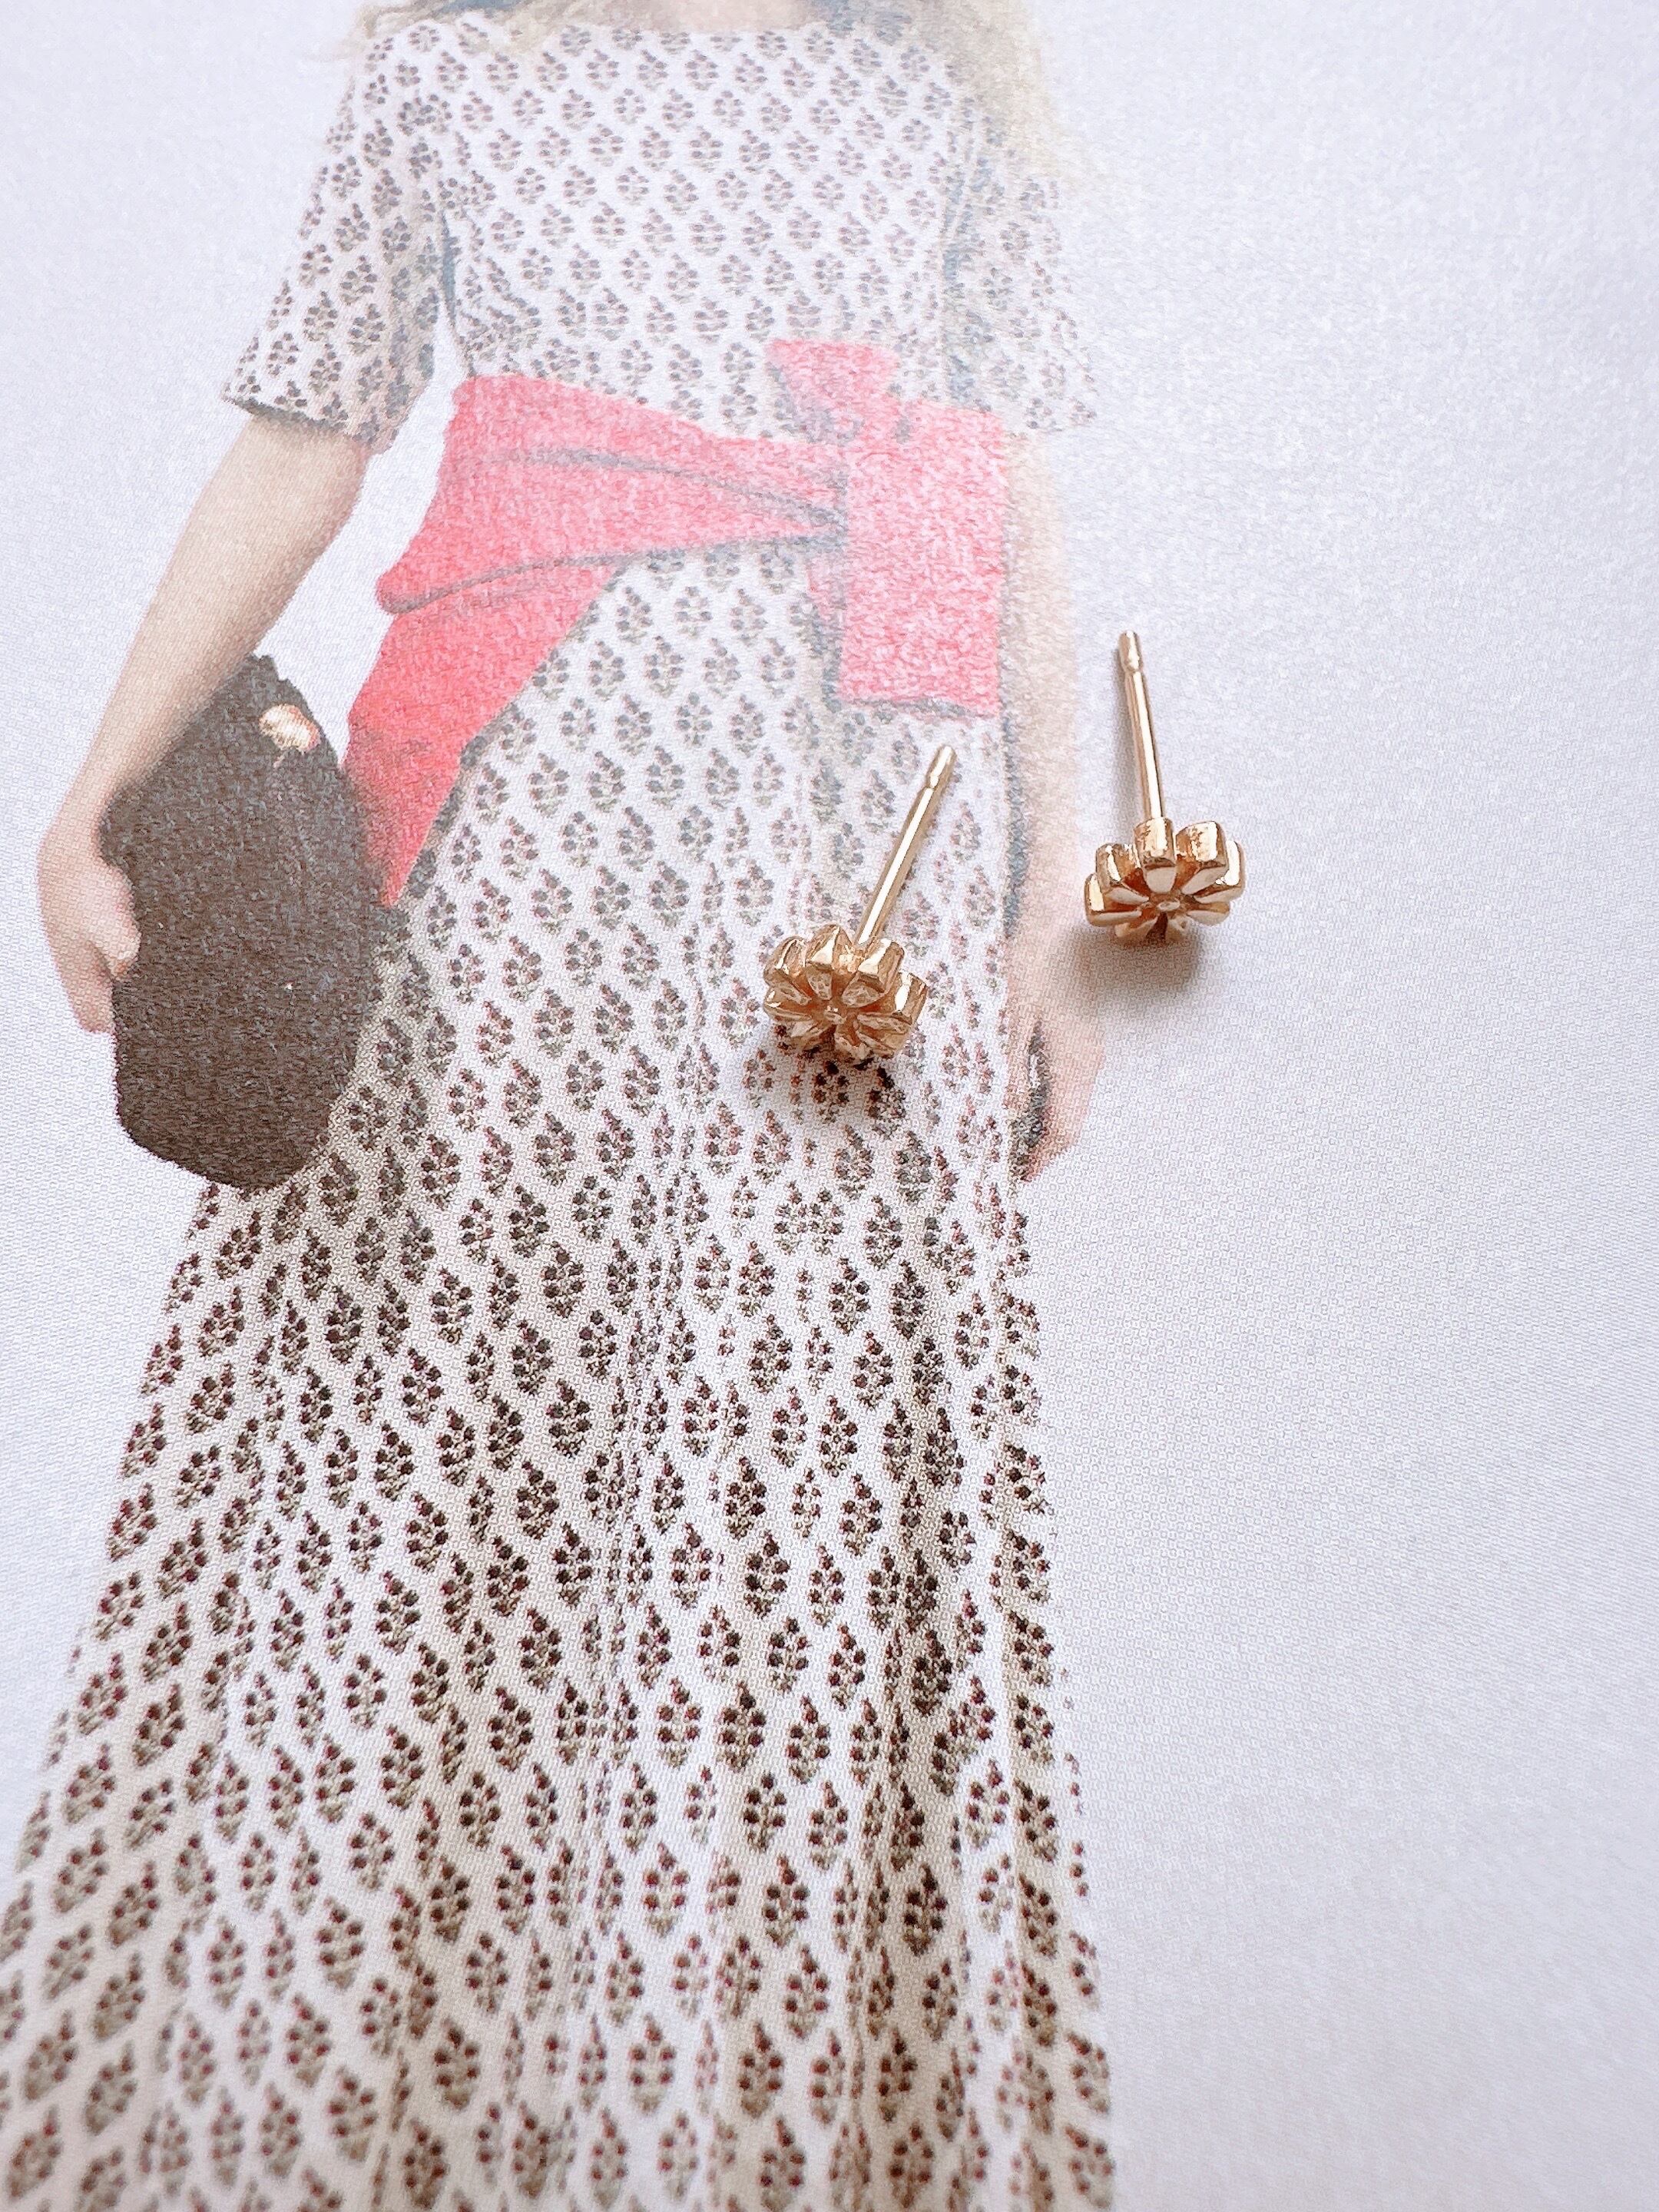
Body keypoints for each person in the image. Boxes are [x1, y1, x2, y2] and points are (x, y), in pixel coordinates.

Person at [15, 3, 1114, 2205]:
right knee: (445, 1404)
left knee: (781, 1442)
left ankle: (722, 2118)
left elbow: (1016, 490)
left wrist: (1051, 909)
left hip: (853, 863)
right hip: (527, 849)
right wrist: (91, 796)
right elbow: (302, 446)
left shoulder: (943, 89)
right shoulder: (449, 74)